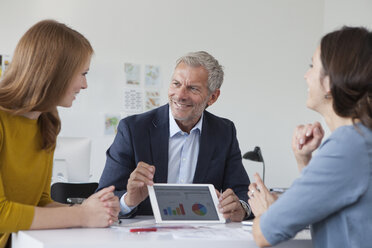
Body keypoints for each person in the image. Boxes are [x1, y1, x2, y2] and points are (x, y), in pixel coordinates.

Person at [248, 26, 372, 247]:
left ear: (330, 83)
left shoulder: (347, 147)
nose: (305, 75)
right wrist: (303, 160)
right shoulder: (359, 140)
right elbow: (327, 199)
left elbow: (264, 234)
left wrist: (267, 211)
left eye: (312, 66)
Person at [0, 20, 120, 248]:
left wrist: (92, 210)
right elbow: (1, 214)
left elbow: (40, 202)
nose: (84, 85)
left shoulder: (46, 122)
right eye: (82, 73)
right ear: (54, 72)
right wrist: (82, 215)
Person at [98, 51, 252, 221]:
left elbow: (242, 191)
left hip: (202, 235)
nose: (180, 95)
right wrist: (129, 200)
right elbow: (103, 198)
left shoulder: (224, 131)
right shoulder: (133, 129)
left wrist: (241, 207)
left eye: (192, 88)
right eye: (176, 84)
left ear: (213, 97)